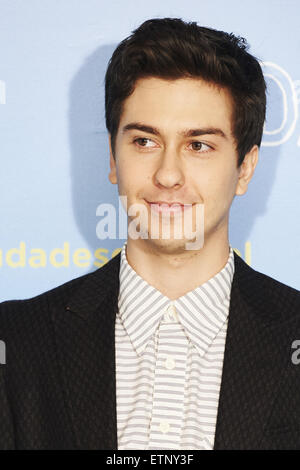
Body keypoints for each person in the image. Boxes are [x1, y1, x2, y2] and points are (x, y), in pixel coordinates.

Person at [1, 17, 300, 451]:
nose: (168, 174)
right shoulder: (17, 345)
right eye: (145, 141)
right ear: (112, 155)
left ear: (246, 168)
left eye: (199, 145)